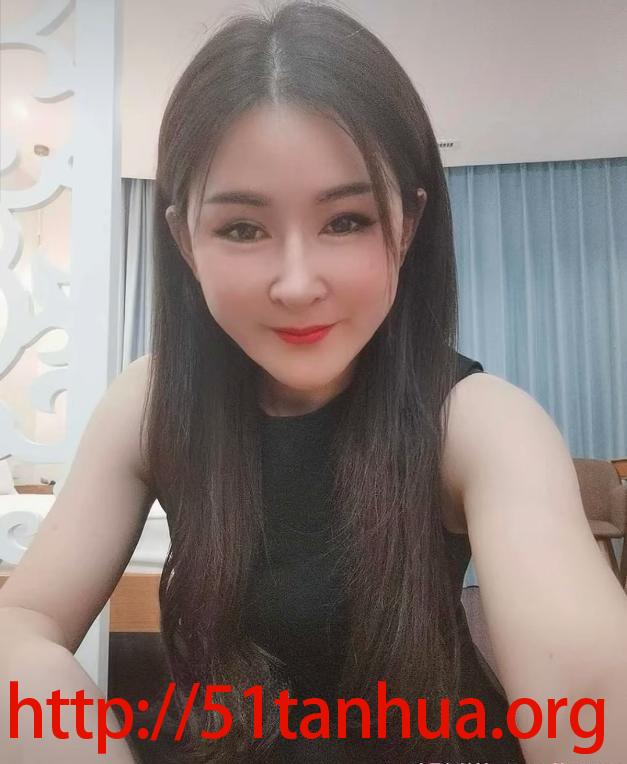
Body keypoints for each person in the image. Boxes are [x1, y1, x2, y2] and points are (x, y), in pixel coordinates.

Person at [1, 1, 626, 762]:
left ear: (406, 225)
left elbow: (587, 688)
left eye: (346, 221)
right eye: (242, 228)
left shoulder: (477, 421)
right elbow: (22, 621)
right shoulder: (152, 403)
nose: (297, 285)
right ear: (185, 241)